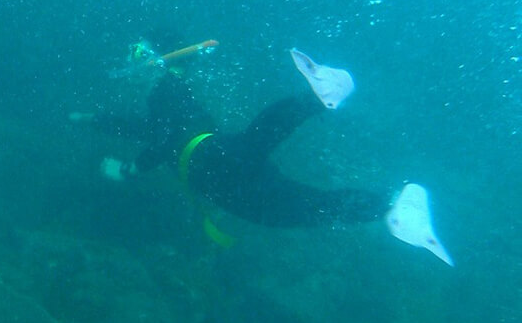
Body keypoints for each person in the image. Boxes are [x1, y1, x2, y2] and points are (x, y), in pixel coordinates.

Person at [73, 44, 453, 265]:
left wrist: (128, 170)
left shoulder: (165, 88)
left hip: (207, 163)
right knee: (300, 209)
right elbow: (141, 128)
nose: (134, 61)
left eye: (140, 52)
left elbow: (159, 135)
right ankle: (391, 207)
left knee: (260, 150)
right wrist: (91, 119)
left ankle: (318, 96)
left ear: (161, 60)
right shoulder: (171, 96)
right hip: (223, 182)